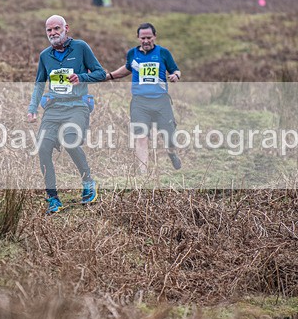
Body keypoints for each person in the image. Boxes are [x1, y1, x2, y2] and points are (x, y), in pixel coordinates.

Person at [28, 15, 107, 213]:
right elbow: (39, 85)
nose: (53, 33)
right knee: (42, 147)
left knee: (69, 140)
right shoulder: (45, 55)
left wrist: (80, 77)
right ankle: (53, 198)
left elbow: (100, 73)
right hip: (53, 109)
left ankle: (88, 182)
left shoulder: (81, 48)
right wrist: (32, 109)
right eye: (49, 30)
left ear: (66, 28)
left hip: (77, 107)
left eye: (57, 28)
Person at [106, 22, 182, 174]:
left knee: (169, 137)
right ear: (138, 38)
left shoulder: (163, 53)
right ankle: (143, 175)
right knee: (141, 136)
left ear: (154, 36)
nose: (146, 41)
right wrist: (109, 76)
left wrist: (175, 76)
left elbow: (176, 70)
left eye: (149, 37)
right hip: (140, 102)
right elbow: (127, 69)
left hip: (161, 101)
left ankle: (171, 153)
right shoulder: (132, 54)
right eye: (143, 38)